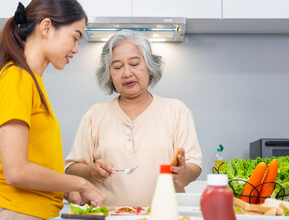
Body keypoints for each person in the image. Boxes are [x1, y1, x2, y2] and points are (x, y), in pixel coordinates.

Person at [0, 0, 105, 220]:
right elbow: (16, 171)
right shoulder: (16, 78)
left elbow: (34, 165)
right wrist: (81, 183)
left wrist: (67, 190)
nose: (75, 48)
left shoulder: (31, 82)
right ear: (46, 27)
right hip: (15, 212)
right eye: (75, 37)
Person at [65, 30, 202, 207]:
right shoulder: (95, 114)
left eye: (134, 63)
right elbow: (71, 168)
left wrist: (182, 173)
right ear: (109, 74)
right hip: (108, 215)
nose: (127, 73)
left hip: (164, 214)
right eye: (117, 67)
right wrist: (90, 171)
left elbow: (194, 166)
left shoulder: (177, 110)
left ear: (149, 66)